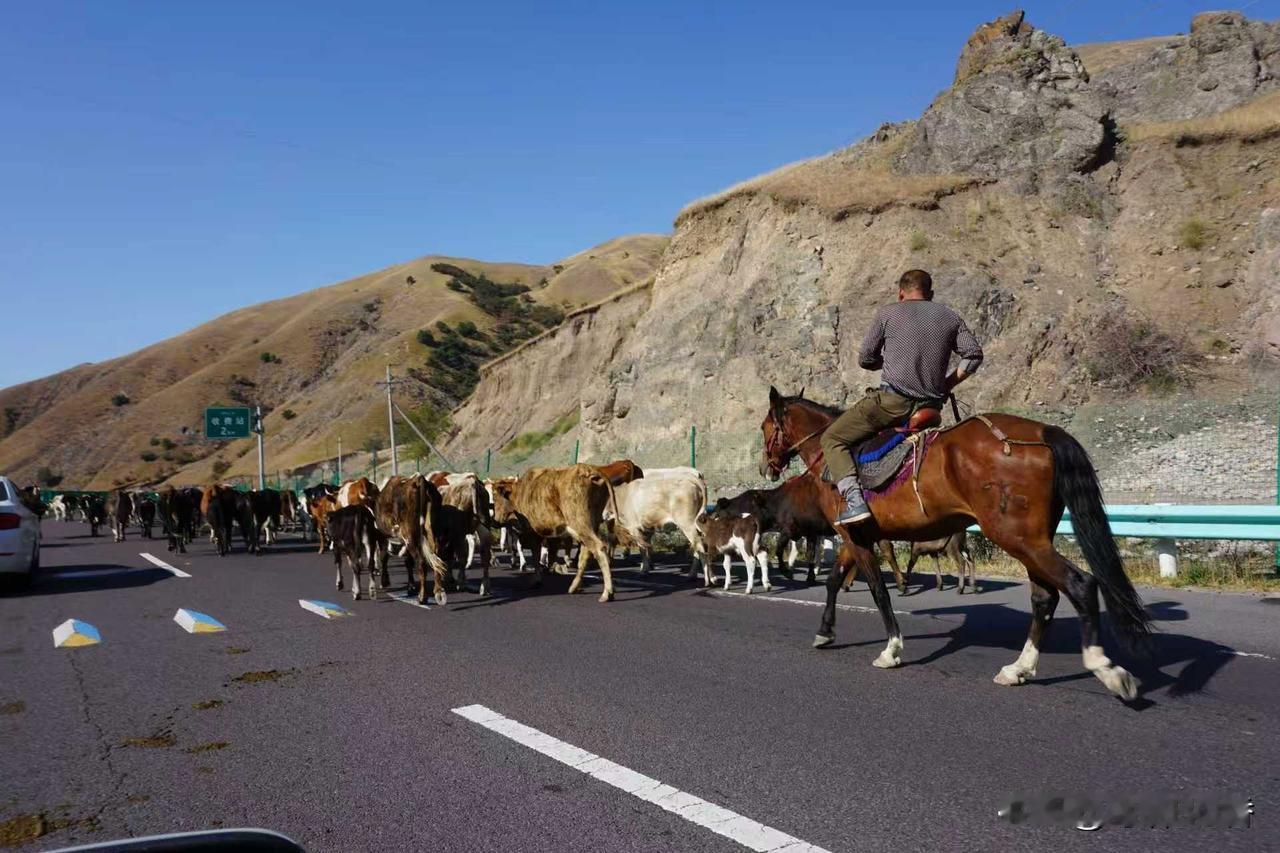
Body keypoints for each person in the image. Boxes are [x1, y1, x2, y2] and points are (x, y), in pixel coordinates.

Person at [820, 269, 984, 526]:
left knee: (831, 437)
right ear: (930, 294)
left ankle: (854, 501)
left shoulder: (888, 313)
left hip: (891, 404)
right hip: (931, 408)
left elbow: (865, 359)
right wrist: (945, 384)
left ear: (900, 293)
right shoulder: (950, 317)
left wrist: (888, 362)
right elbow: (973, 354)